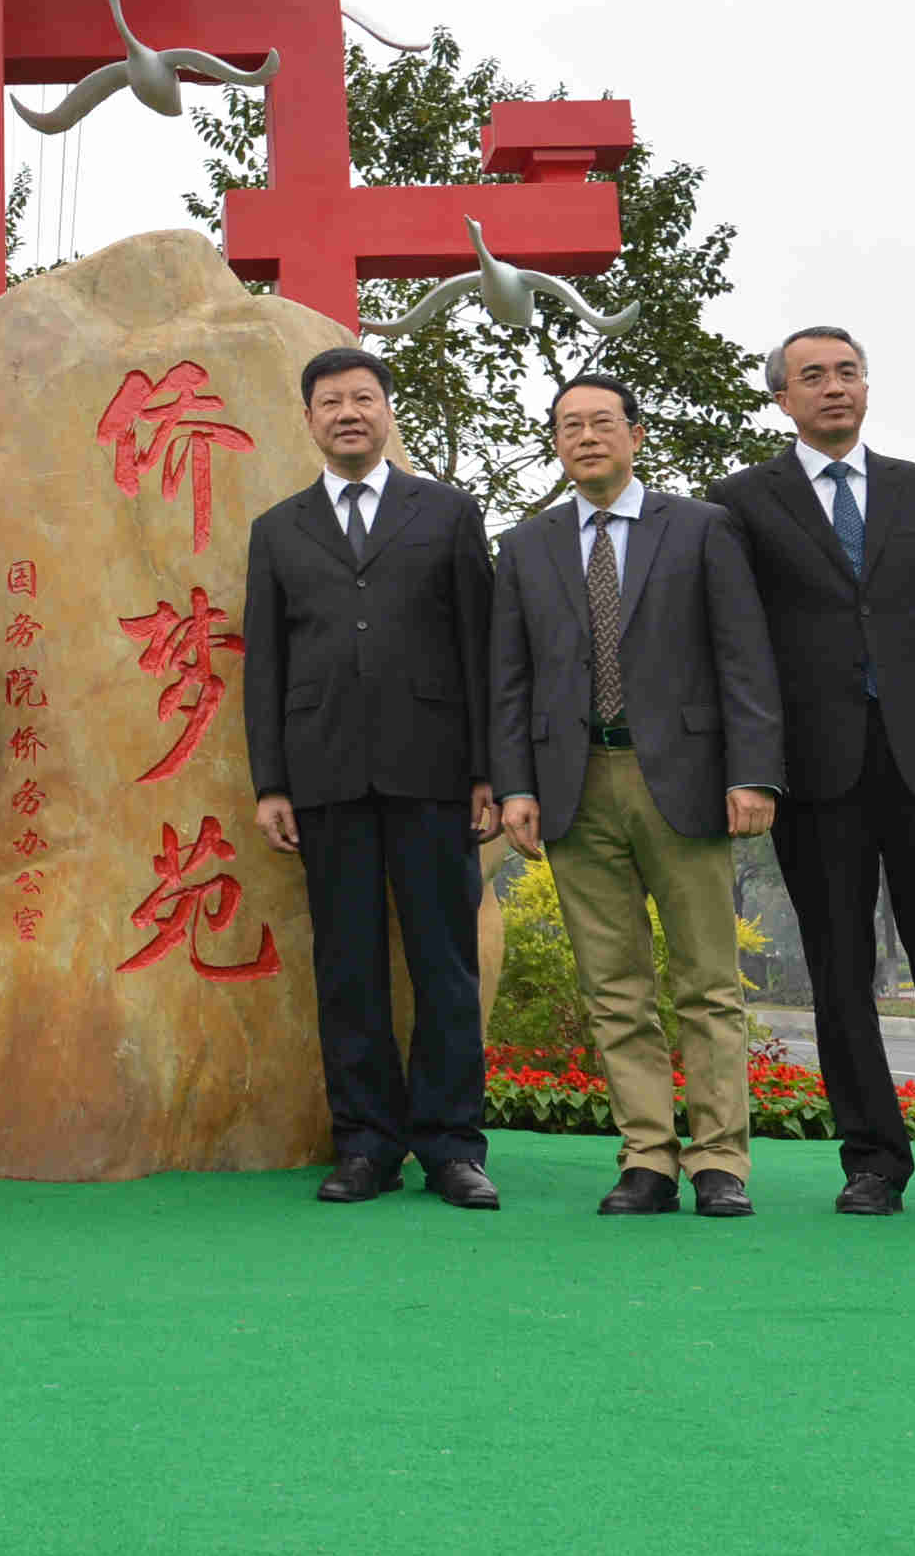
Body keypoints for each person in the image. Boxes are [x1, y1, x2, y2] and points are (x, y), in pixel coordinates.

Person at [706, 329, 915, 1219]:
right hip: (815, 769)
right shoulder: (740, 501)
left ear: (866, 386)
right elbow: (738, 644)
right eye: (813, 376)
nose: (834, 388)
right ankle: (873, 1162)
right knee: (840, 971)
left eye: (847, 373)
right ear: (782, 398)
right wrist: (753, 764)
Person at [489, 374, 781, 1217]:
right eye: (569, 427)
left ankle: (720, 1160)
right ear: (556, 443)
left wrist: (752, 772)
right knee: (612, 987)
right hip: (574, 784)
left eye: (602, 423)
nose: (587, 438)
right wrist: (516, 784)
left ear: (636, 435)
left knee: (708, 981)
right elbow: (510, 677)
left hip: (683, 780)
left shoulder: (700, 528)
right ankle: (647, 1158)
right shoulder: (527, 545)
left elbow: (744, 657)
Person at [241, 346, 503, 1208]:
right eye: (330, 402)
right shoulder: (278, 529)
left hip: (434, 770)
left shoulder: (448, 512)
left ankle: (453, 1147)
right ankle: (364, 1145)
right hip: (324, 774)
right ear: (308, 419)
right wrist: (271, 783)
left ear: (388, 411)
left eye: (362, 398)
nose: (348, 413)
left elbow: (480, 646)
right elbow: (265, 665)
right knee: (348, 967)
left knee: (444, 964)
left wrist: (486, 770)